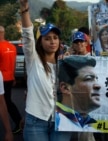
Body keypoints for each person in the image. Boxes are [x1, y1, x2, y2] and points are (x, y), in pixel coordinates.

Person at [19, 0, 72, 141]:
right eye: (47, 38)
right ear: (40, 42)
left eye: (55, 38)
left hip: (62, 119)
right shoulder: (33, 60)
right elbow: (27, 35)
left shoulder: (66, 63)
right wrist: (25, 9)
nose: (52, 41)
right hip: (36, 121)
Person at [56, 56, 101, 132]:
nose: (98, 85)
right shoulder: (56, 121)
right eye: (89, 79)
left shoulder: (89, 123)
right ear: (65, 88)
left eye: (96, 79)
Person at [0, 25, 23, 134]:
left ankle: (18, 121)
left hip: (2, 79)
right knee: (7, 101)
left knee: (6, 102)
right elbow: (13, 64)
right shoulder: (12, 47)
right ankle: (18, 121)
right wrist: (13, 77)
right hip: (9, 78)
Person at [0, 71, 13, 141]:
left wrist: (8, 131)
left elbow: (1, 103)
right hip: (9, 77)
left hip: (8, 78)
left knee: (8, 101)